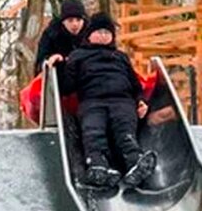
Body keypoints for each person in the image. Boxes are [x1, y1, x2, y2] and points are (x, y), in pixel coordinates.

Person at [61, 12, 155, 189]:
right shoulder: (79, 56)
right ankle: (97, 164)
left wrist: (140, 101)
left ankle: (135, 162)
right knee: (93, 131)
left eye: (107, 32)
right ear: (89, 35)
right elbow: (67, 86)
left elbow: (135, 83)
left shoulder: (120, 57)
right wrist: (61, 67)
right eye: (99, 32)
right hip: (92, 102)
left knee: (125, 132)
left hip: (122, 101)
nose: (103, 36)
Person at [34, 0, 87, 77]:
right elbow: (39, 65)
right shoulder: (51, 35)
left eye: (78, 20)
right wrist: (50, 60)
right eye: (70, 20)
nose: (75, 24)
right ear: (63, 22)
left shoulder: (91, 35)